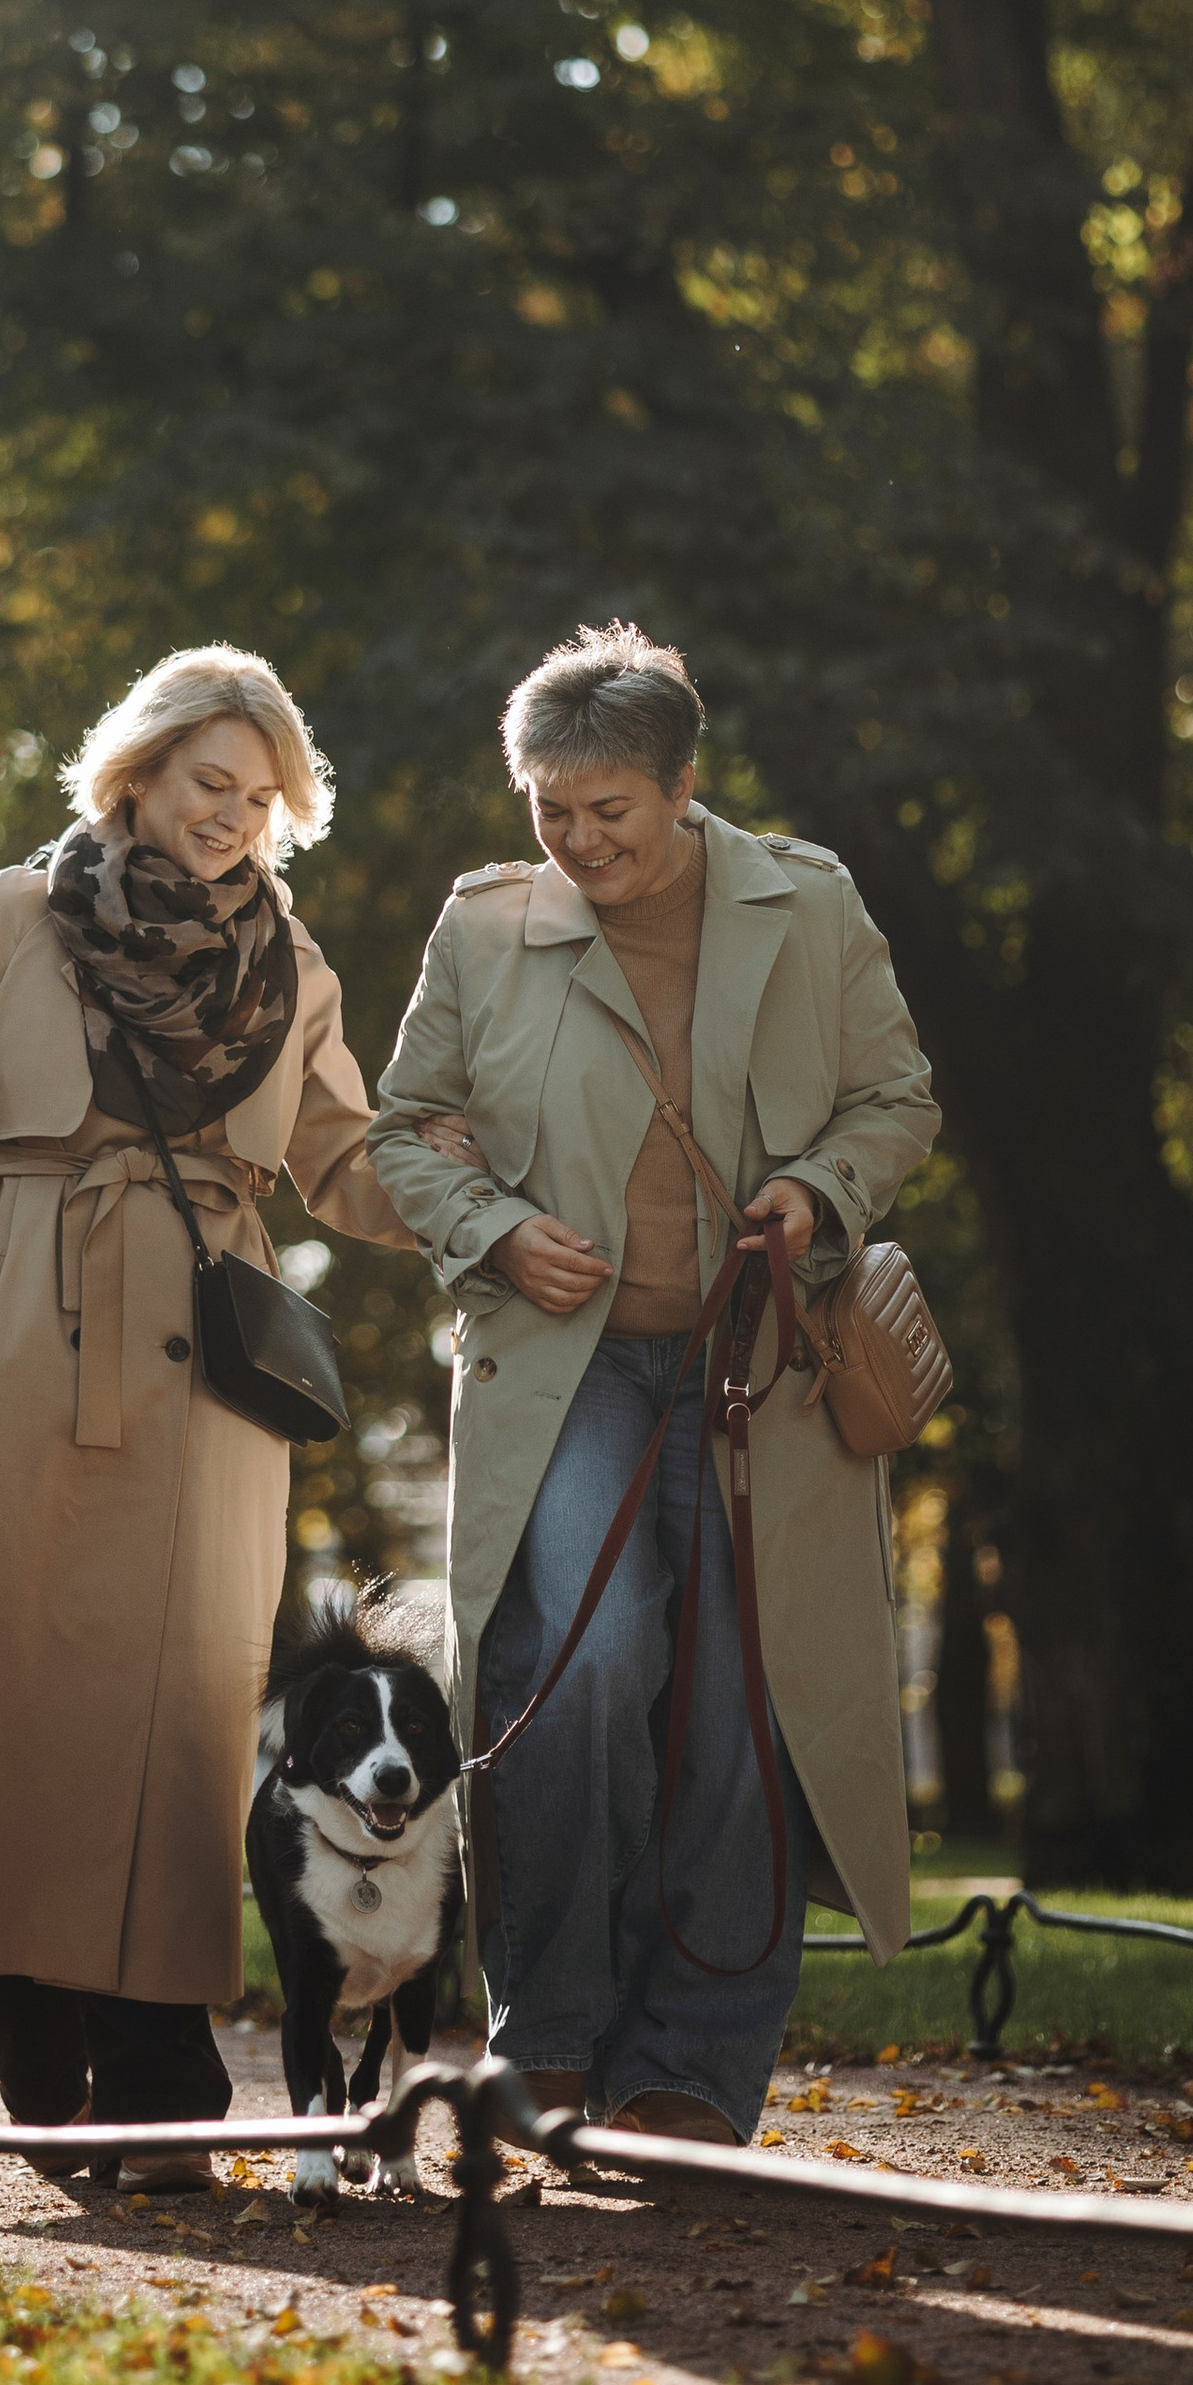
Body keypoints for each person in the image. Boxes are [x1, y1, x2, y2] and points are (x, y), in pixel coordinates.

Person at [0, 645, 411, 2189]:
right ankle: (43, 2084)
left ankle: (160, 2091)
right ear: (139, 773)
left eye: (259, 793)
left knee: (176, 1737)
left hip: (201, 1392)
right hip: (19, 1348)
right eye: (207, 781)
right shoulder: (11, 920)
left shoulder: (291, 966)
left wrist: (488, 1196)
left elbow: (350, 1159)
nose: (231, 814)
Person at [369, 621, 939, 2143]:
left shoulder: (805, 905)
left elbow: (898, 1096)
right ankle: (547, 2031)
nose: (576, 841)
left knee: (743, 1703)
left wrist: (818, 1189)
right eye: (548, 808)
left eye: (606, 809)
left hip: (765, 1372)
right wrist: (494, 1232)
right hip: (569, 1374)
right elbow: (403, 1128)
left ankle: (692, 2062)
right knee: (582, 1663)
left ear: (684, 787)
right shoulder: (488, 928)